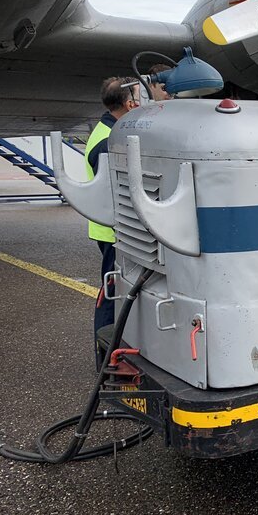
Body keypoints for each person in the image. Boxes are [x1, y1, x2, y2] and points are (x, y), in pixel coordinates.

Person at [85, 76, 140, 364]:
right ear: (129, 103)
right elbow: (114, 189)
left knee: (115, 289)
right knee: (110, 291)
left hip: (110, 228)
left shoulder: (108, 130)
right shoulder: (108, 141)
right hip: (111, 230)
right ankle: (105, 360)